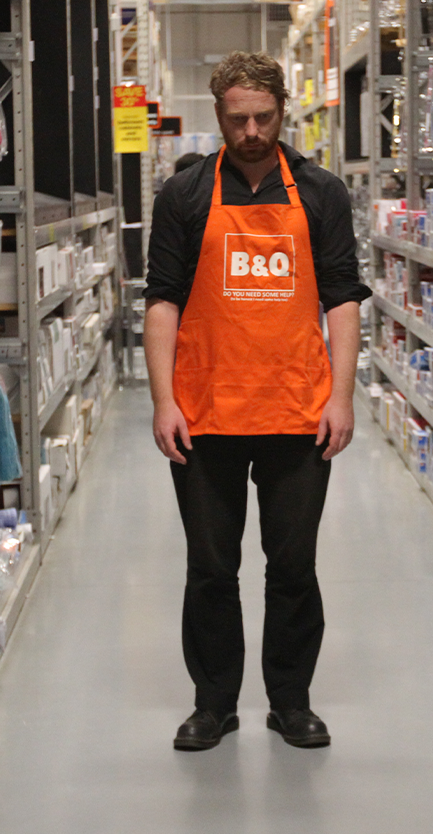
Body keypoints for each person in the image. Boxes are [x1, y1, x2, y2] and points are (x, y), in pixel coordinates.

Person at [144, 50, 371, 752]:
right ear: (219, 116)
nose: (250, 131)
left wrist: (341, 396)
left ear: (281, 113)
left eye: (263, 118)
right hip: (206, 412)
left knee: (293, 565)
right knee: (211, 569)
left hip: (297, 412)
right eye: (238, 119)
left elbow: (340, 300)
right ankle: (213, 705)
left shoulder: (322, 193)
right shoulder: (183, 196)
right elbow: (162, 303)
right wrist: (162, 402)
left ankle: (290, 702)